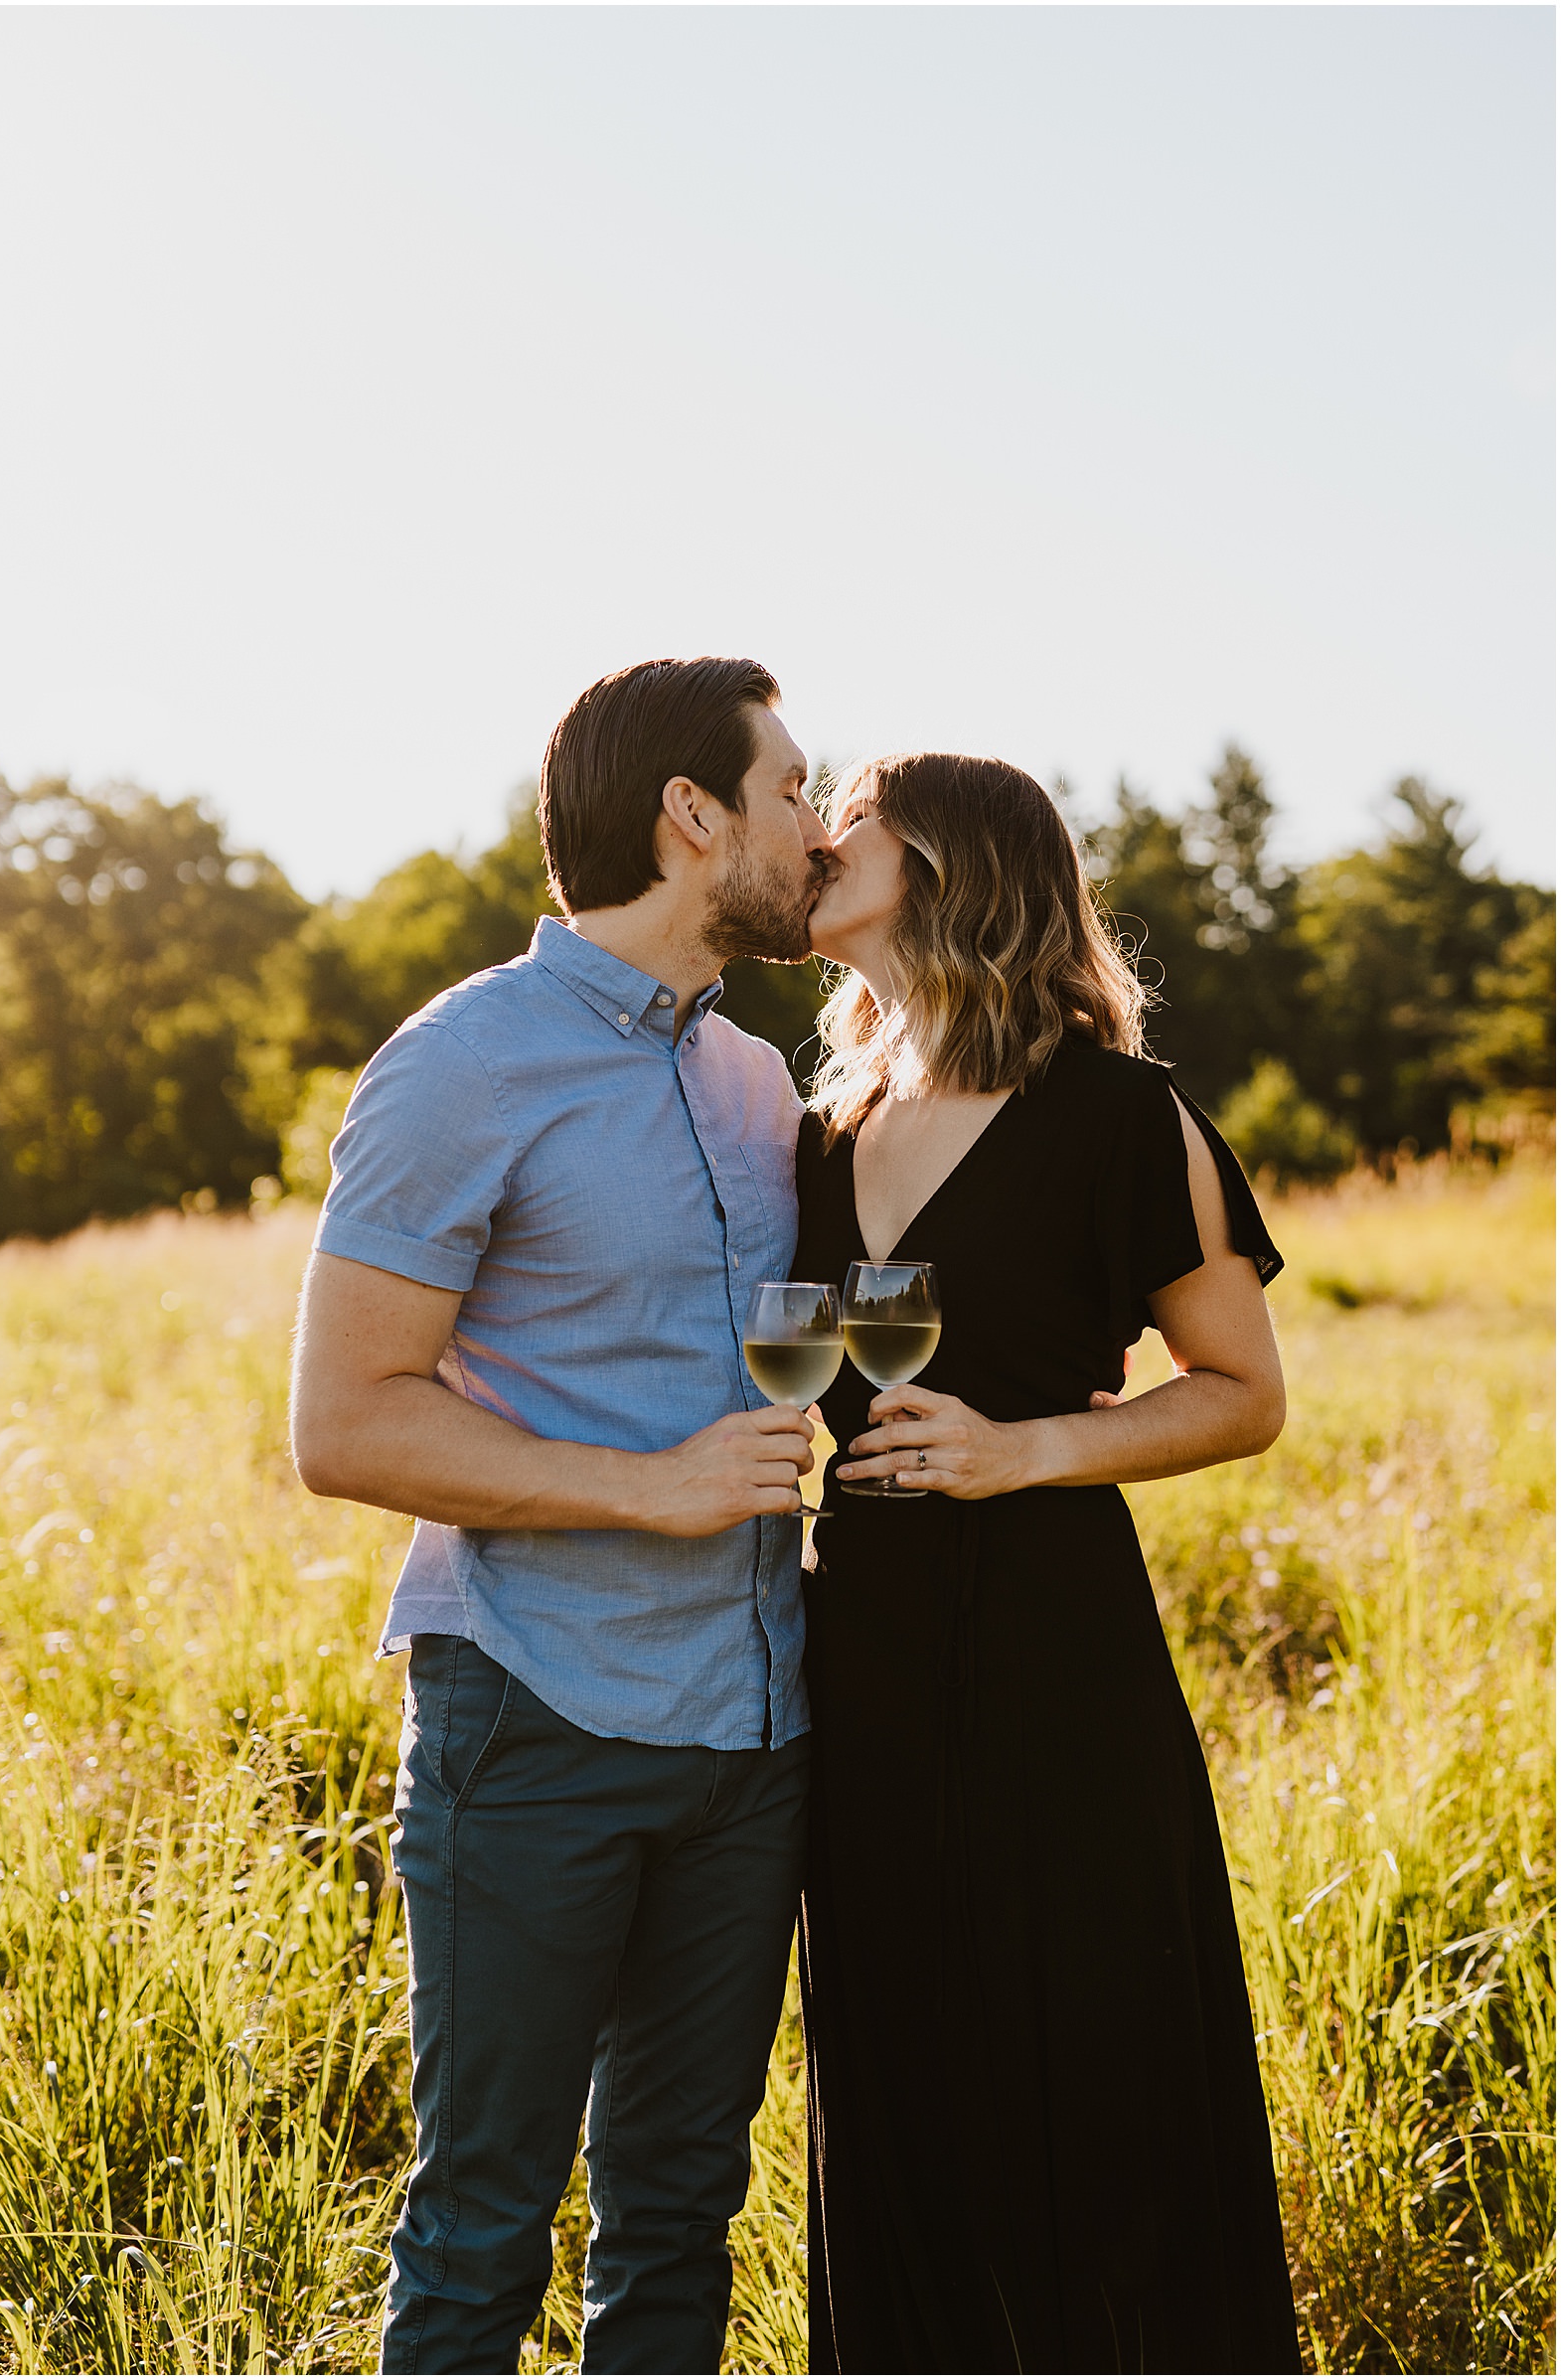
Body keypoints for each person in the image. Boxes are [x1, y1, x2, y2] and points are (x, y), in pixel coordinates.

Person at [289, 657, 835, 2375]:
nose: (819, 834)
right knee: (481, 2227)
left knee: (680, 2208)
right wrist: (650, 1491)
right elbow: (342, 1422)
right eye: (793, 792)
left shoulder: (758, 1083)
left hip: (758, 1737)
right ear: (692, 816)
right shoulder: (461, 1062)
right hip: (537, 1718)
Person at [792, 751, 1303, 2375]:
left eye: (848, 811)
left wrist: (1028, 1451)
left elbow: (1244, 1397)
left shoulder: (1118, 1115)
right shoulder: (821, 1130)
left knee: (1094, 2047)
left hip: (1054, 1647)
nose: (817, 835)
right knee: (902, 2057)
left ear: (943, 857)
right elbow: (817, 1378)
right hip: (857, 1640)